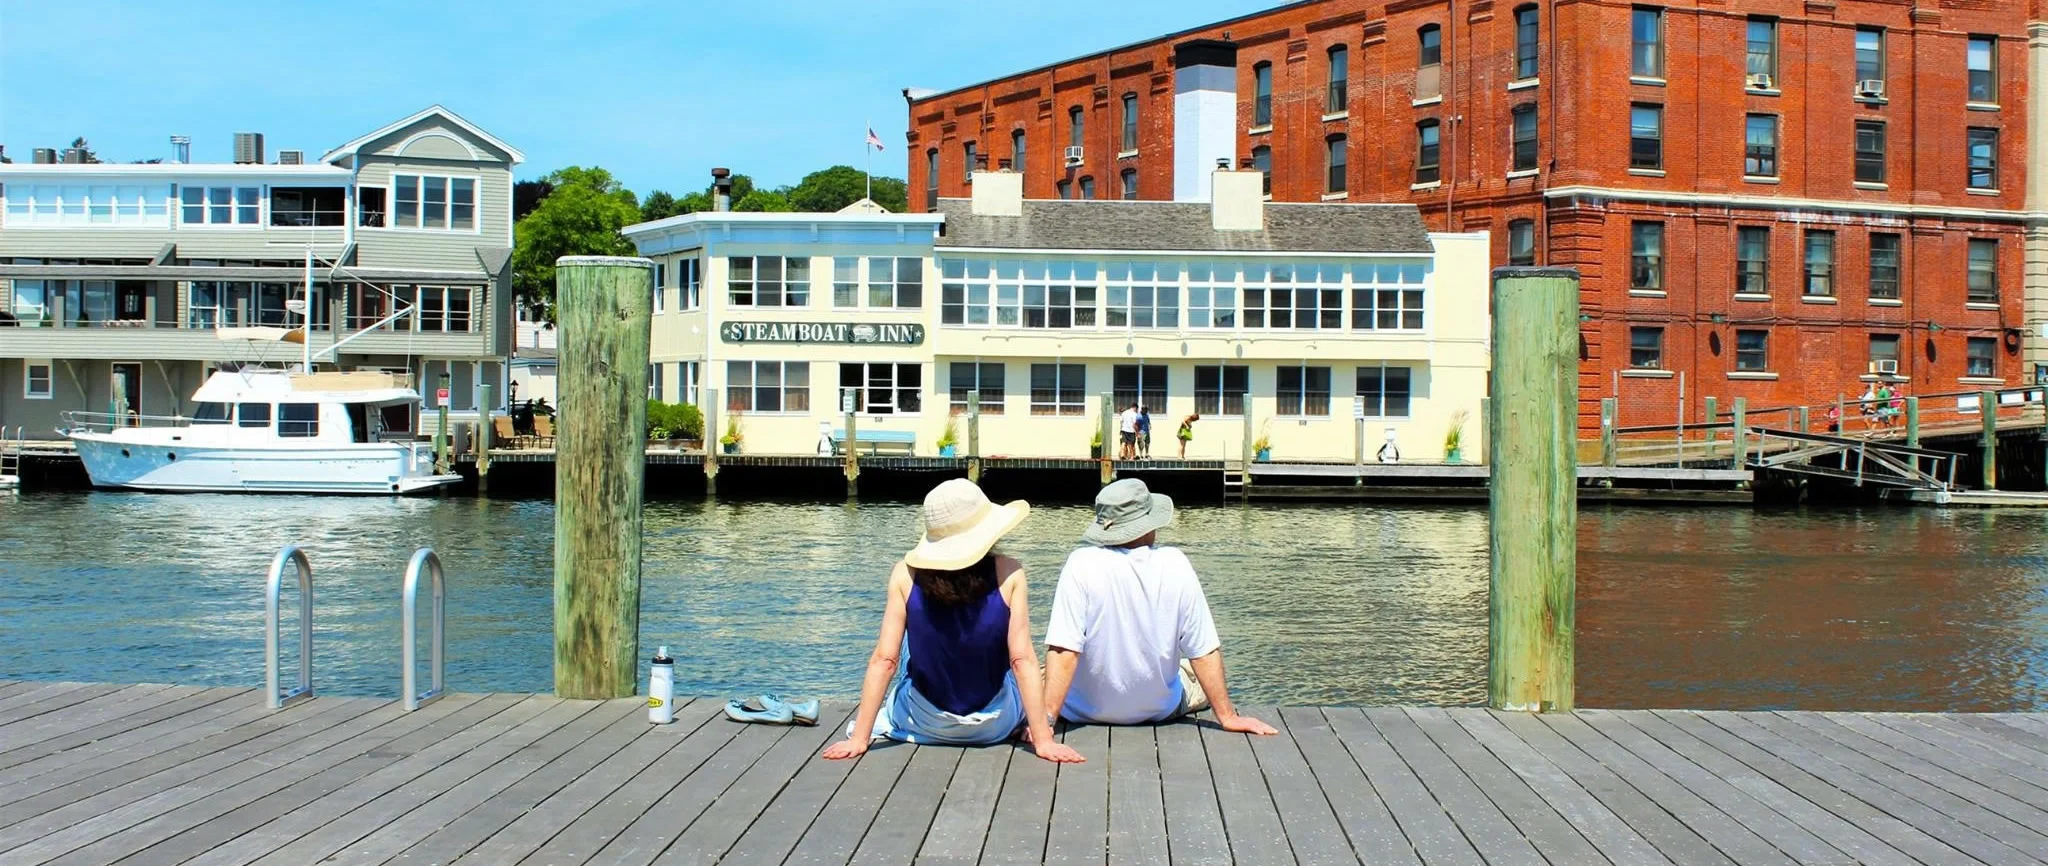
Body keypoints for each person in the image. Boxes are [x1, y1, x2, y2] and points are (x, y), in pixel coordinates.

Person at [822, 479, 1082, 764]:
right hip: (994, 725)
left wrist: (860, 737)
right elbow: (1022, 661)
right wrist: (1043, 740)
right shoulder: (1010, 572)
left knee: (910, 642)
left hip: (922, 721)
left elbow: (885, 660)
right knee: (1012, 659)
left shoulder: (904, 574)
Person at [1042, 479, 1276, 734]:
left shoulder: (1080, 564)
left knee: (1033, 671)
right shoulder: (1176, 563)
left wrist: (1046, 721)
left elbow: (1065, 651)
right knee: (1190, 669)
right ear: (1147, 524)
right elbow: (1203, 650)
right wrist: (1228, 716)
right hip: (1160, 710)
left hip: (1080, 711)